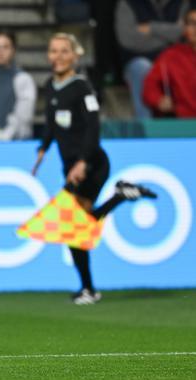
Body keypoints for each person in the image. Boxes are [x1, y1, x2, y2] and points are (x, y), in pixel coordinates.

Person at [31, 33, 157, 305]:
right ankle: (122, 196)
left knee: (72, 226)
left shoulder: (82, 88)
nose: (58, 56)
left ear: (75, 56)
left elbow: (93, 127)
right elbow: (52, 122)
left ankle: (89, 289)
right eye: (53, 51)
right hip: (72, 166)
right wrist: (43, 148)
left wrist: (83, 162)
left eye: (64, 51)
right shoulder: (50, 86)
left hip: (92, 163)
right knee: (79, 224)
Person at [115, 0, 189, 118]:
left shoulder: (182, 2)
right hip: (140, 59)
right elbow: (127, 39)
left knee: (185, 65)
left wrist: (151, 28)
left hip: (174, 60)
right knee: (142, 67)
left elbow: (183, 31)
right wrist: (169, 37)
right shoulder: (129, 2)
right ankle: (145, 125)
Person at [142, 7, 196, 118]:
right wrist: (158, 100)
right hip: (183, 122)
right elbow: (149, 86)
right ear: (184, 28)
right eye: (191, 23)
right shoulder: (171, 56)